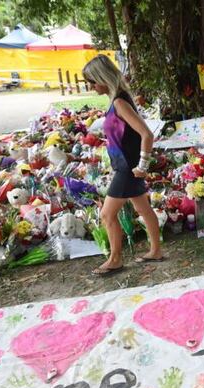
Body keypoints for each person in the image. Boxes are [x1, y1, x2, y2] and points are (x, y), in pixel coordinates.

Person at [82, 55, 163, 276]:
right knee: (142, 208)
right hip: (125, 165)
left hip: (128, 167)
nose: (91, 86)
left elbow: (146, 134)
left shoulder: (119, 102)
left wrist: (143, 165)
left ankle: (116, 259)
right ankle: (155, 250)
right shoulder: (117, 99)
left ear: (102, 77)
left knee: (107, 215)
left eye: (92, 81)